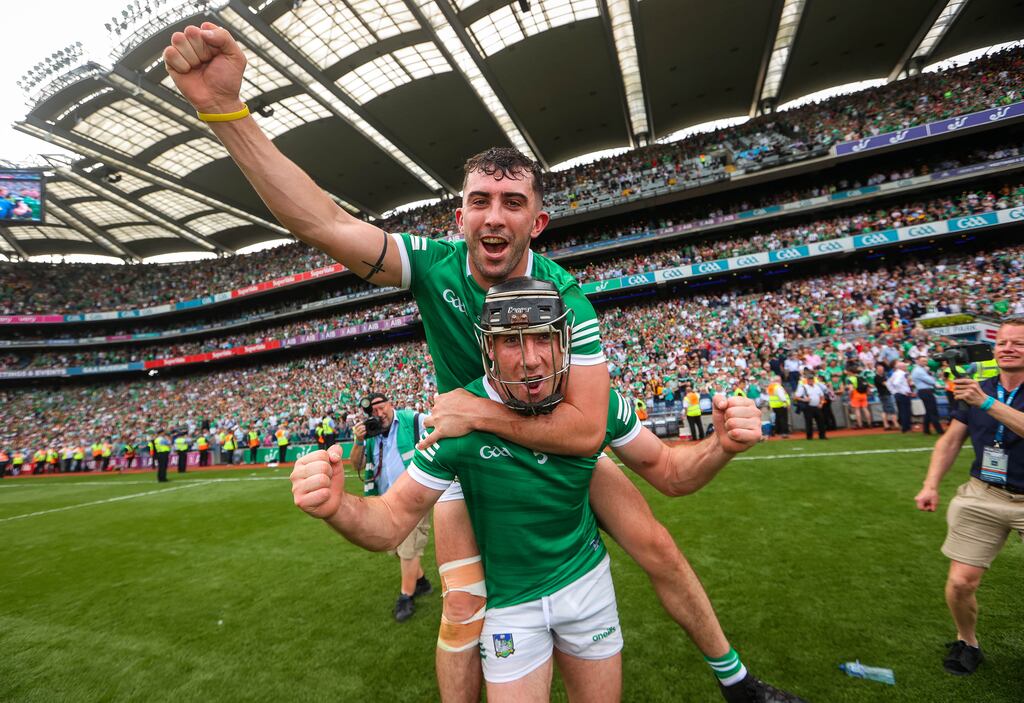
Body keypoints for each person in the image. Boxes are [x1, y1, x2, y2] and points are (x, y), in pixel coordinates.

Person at [164, 28, 798, 702]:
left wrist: (477, 411)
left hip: (541, 436)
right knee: (464, 609)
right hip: (468, 456)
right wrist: (226, 112)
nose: (495, 217)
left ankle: (739, 684)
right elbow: (322, 222)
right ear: (460, 215)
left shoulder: (566, 300)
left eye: (513, 203)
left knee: (659, 549)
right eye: (480, 201)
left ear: (537, 222)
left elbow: (586, 429)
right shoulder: (432, 265)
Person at [914, 320, 1024, 675]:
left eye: (1018, 343)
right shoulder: (981, 388)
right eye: (1002, 342)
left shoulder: (982, 395)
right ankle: (967, 641)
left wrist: (987, 403)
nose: (1008, 348)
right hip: (983, 492)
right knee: (961, 581)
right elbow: (950, 441)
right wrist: (931, 484)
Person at [349, 393, 433, 622]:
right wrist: (358, 441)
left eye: (381, 408)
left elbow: (437, 425)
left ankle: (406, 597)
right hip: (385, 500)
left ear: (390, 404)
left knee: (408, 548)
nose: (378, 414)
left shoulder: (410, 420)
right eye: (373, 411)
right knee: (396, 547)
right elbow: (356, 464)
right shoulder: (371, 434)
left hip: (415, 496)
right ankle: (421, 582)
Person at [911, 356, 944, 435]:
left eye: (926, 361)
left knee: (929, 411)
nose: (925, 363)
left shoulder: (921, 370)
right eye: (923, 361)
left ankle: (926, 430)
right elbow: (930, 380)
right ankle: (939, 430)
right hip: (925, 391)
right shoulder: (919, 370)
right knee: (933, 411)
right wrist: (934, 380)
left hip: (925, 391)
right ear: (917, 361)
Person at [793, 371, 827, 440]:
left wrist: (821, 403)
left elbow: (822, 396)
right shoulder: (803, 387)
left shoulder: (817, 387)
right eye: (809, 379)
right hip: (808, 407)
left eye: (812, 379)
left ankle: (822, 435)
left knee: (821, 421)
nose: (811, 380)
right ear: (807, 380)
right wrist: (804, 400)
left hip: (817, 406)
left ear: (813, 380)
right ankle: (809, 436)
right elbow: (796, 397)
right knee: (809, 422)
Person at [888, 361, 914, 432]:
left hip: (898, 394)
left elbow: (889, 384)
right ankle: (906, 428)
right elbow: (896, 383)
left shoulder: (895, 373)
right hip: (903, 395)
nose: (906, 367)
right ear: (901, 367)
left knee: (902, 411)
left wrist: (894, 392)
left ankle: (905, 427)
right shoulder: (902, 373)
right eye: (905, 366)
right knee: (906, 411)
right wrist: (904, 392)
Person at [844, 363, 871, 430]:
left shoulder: (851, 379)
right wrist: (868, 393)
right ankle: (869, 423)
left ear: (851, 372)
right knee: (865, 409)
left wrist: (850, 395)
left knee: (857, 410)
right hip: (863, 394)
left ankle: (860, 424)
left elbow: (851, 389)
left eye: (848, 372)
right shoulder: (861, 377)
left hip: (856, 394)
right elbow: (868, 386)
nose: (847, 373)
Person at [873, 362, 898, 430]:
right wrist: (892, 382)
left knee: (885, 410)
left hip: (886, 394)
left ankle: (886, 425)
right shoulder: (877, 377)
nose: (881, 370)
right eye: (880, 369)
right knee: (892, 409)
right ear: (877, 370)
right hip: (884, 395)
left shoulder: (883, 376)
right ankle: (895, 424)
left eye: (882, 369)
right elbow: (886, 384)